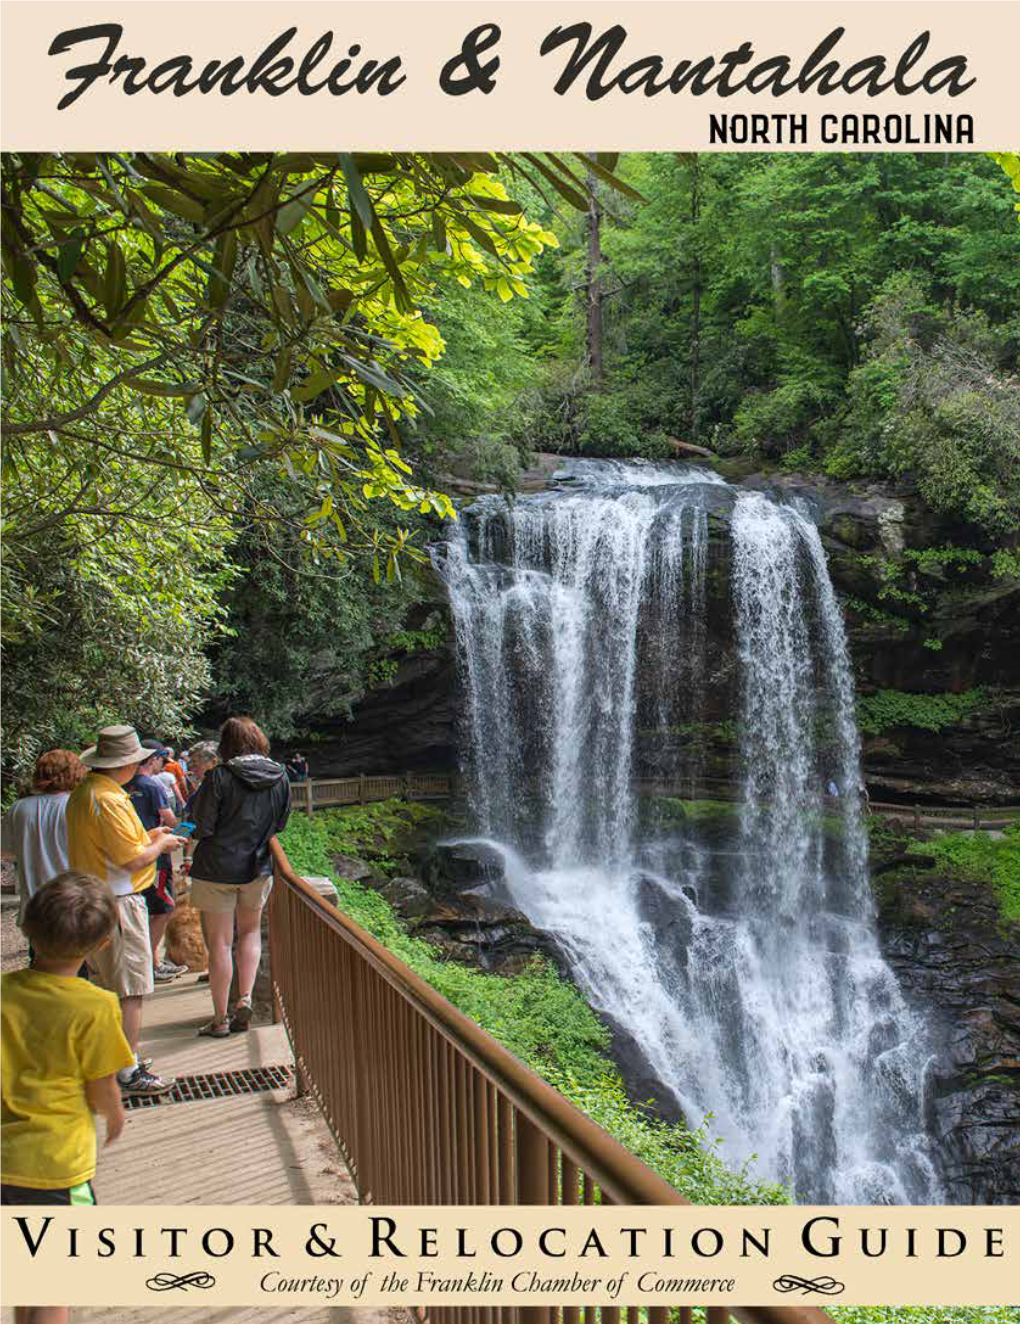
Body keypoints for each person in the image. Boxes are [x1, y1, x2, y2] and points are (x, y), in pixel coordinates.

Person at [2, 874, 134, 1259]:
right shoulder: (96, 1007)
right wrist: (115, 1114)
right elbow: (100, 1084)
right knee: (53, 1282)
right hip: (55, 1166)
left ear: (28, 930)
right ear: (101, 945)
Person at [66, 725, 183, 1097]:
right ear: (126, 764)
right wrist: (161, 844)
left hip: (92, 895)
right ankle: (128, 1072)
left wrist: (151, 838)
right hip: (117, 901)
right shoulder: (111, 800)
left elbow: (118, 846)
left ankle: (111, 1061)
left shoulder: (85, 793)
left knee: (105, 987)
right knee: (130, 990)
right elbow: (131, 860)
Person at [189, 717, 290, 1038]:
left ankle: (220, 1019)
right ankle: (244, 998)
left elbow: (201, 825)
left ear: (226, 745)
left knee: (219, 944)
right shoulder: (281, 776)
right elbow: (281, 824)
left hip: (216, 868)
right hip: (257, 867)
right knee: (249, 935)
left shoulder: (218, 776)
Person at [1, 750, 87, 931]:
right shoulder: (79, 806)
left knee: (40, 957)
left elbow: (6, 852)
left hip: (34, 906)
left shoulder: (19, 808)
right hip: (74, 903)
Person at [127, 753, 187, 984]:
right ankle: (151, 964)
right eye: (162, 760)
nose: (164, 765)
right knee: (164, 907)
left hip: (129, 855)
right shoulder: (152, 786)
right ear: (152, 761)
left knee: (141, 908)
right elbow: (169, 819)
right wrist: (188, 830)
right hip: (154, 854)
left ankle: (147, 962)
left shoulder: (121, 785)